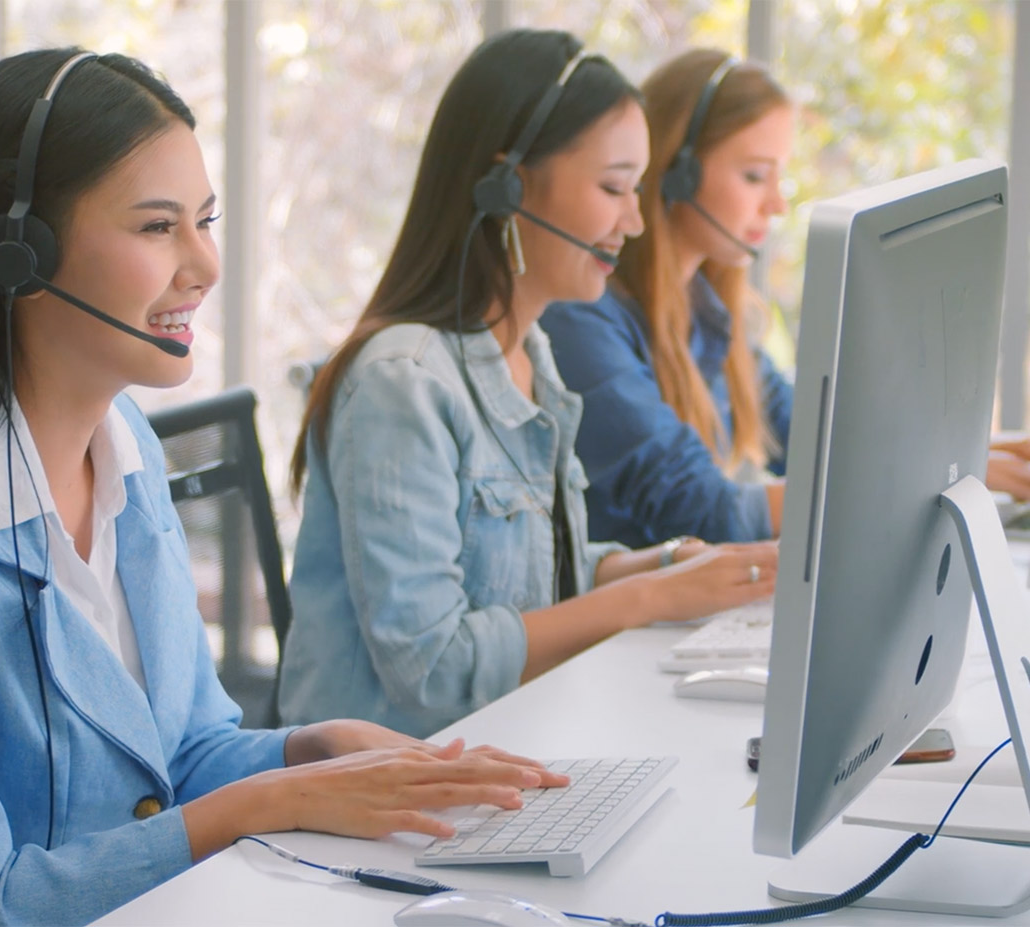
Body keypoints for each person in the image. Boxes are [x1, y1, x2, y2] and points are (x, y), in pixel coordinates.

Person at [0, 49, 566, 926]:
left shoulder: (128, 452)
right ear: (18, 254)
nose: (205, 264)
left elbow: (181, 754)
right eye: (157, 227)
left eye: (206, 221)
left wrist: (311, 749)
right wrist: (269, 802)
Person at [280, 30, 779, 739]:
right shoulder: (403, 383)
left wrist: (669, 566)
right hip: (403, 776)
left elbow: (536, 577)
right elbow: (430, 666)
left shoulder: (529, 353)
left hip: (514, 742)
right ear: (506, 187)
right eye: (613, 188)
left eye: (637, 191)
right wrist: (646, 600)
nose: (635, 223)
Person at [540, 48, 1030, 549]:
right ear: (678, 172)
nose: (777, 203)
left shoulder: (708, 314)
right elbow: (706, 510)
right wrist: (925, 476)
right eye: (754, 176)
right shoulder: (584, 318)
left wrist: (953, 458)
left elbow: (818, 438)